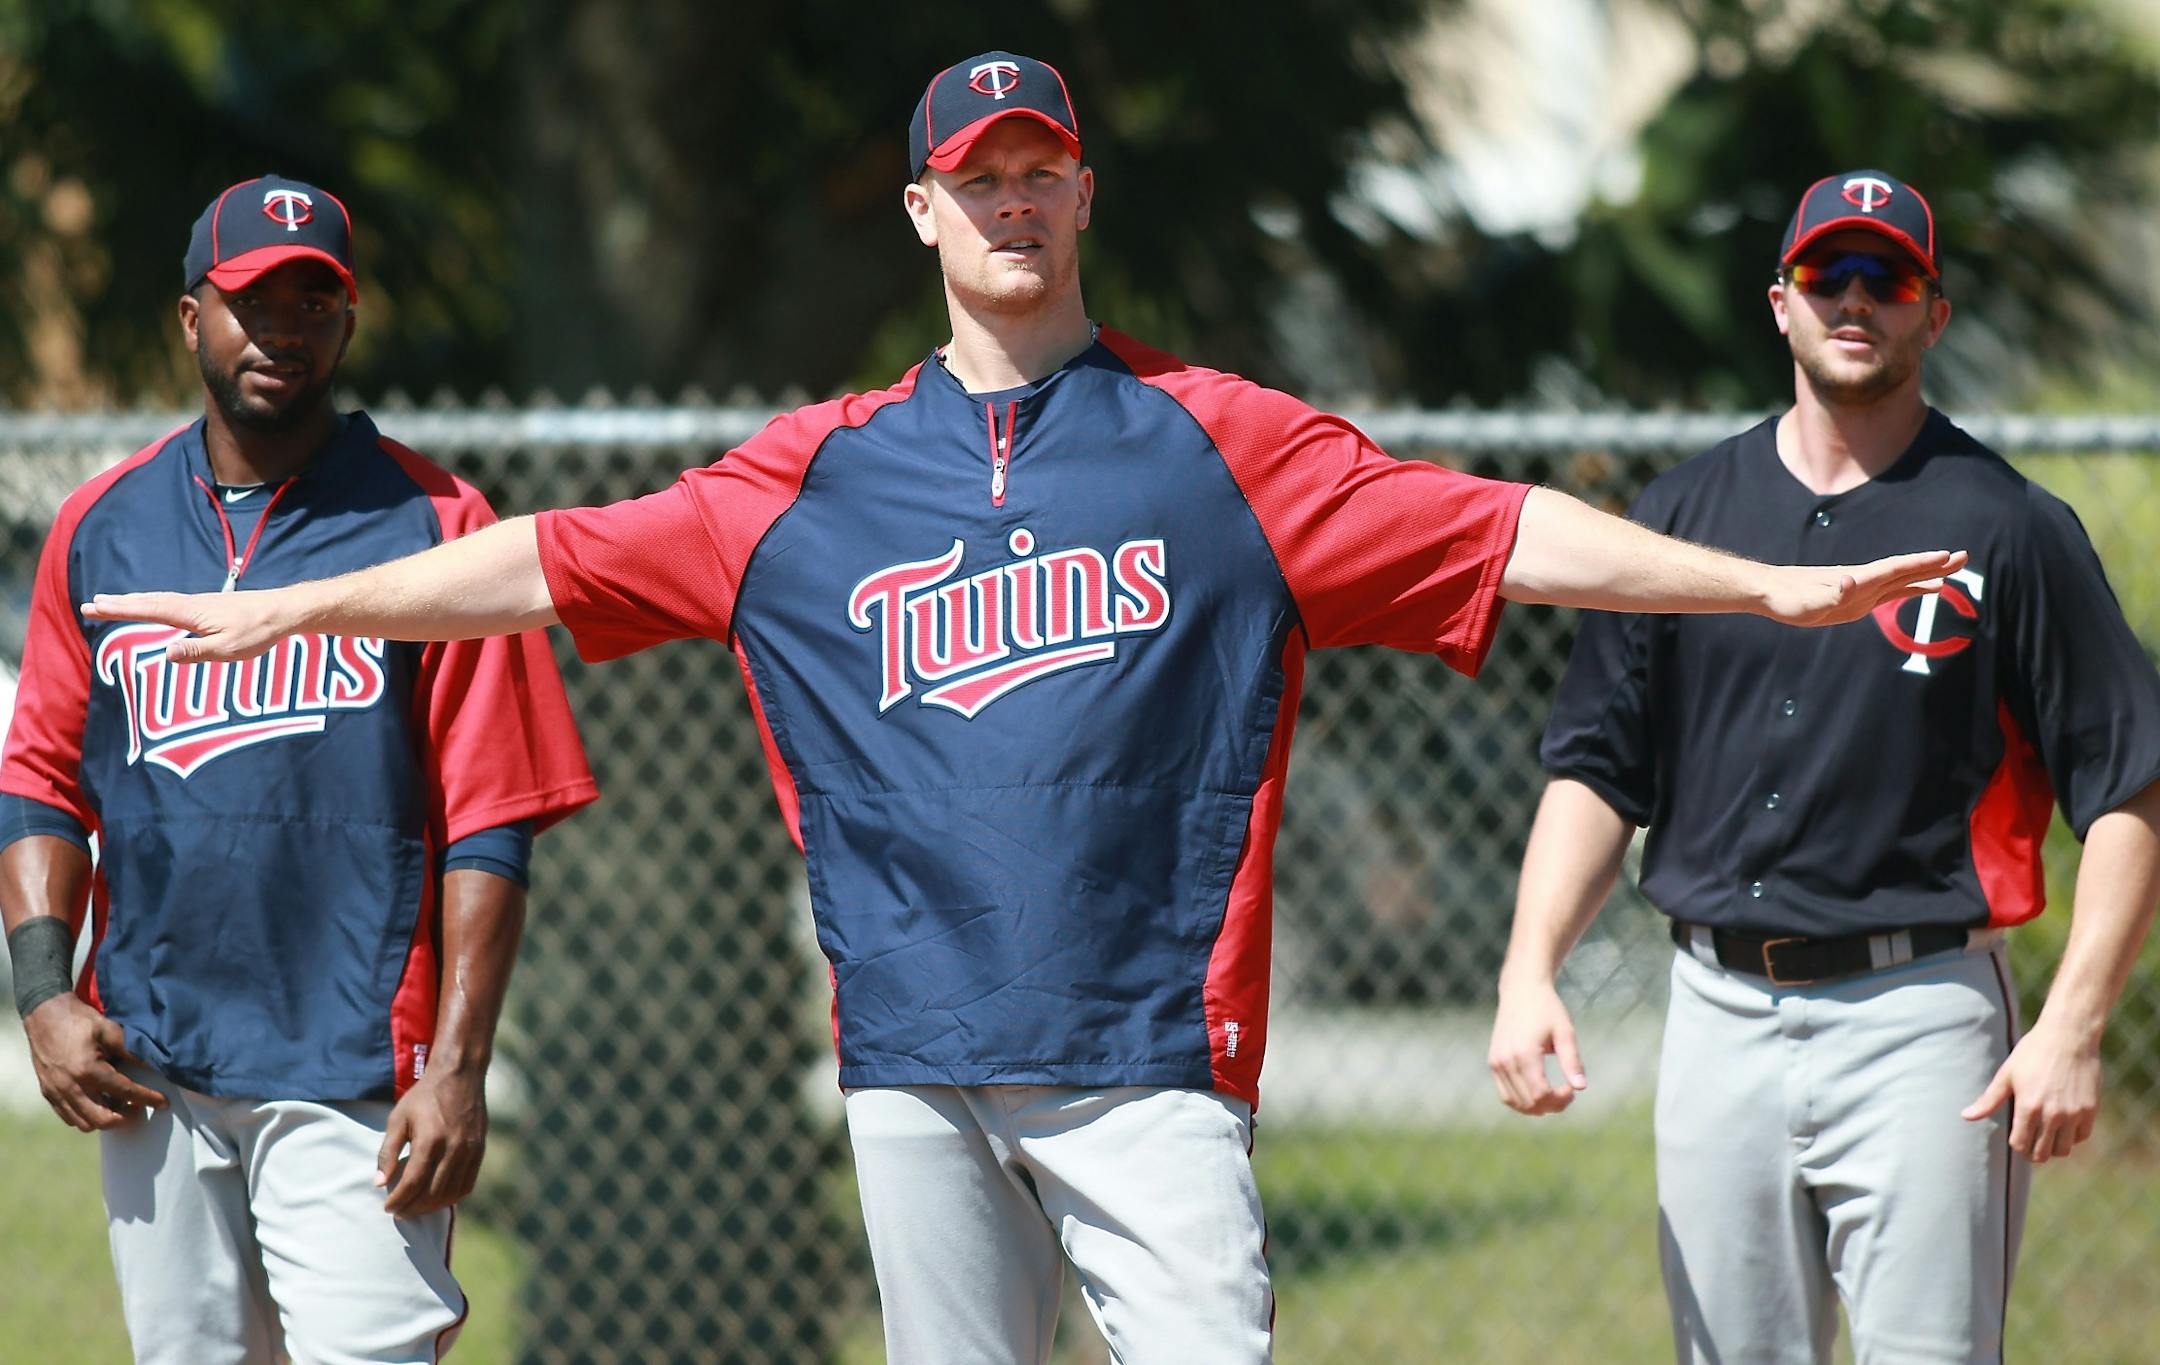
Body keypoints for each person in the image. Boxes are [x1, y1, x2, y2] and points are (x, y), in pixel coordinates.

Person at [85, 74, 1959, 1363]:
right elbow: (552, 563)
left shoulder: (1222, 446)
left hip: (1147, 1055)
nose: (1008, 197)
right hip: (911, 1061)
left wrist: (1773, 586)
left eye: (1036, 168)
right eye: (974, 174)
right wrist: (296, 606)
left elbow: (1497, 531)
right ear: (923, 209)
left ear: (1080, 194)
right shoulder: (812, 482)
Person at [1487, 168, 2160, 1363]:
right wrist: (1529, 967)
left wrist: (2071, 1026)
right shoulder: (1680, 516)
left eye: (1889, 276)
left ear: (1932, 312)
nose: (1857, 299)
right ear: (1780, 302)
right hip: (1716, 1015)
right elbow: (1597, 769)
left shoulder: (2008, 525)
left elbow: (2130, 787)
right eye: (1828, 274)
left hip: (1920, 1019)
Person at [1, 174, 599, 1363]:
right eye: (251, 300)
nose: (282, 328)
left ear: (347, 321)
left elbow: (492, 821)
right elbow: (40, 780)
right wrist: (40, 992)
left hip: (356, 1066)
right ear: (191, 320)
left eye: (312, 301)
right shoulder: (101, 526)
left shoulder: (438, 525)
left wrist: (462, 1071)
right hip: (152, 1063)